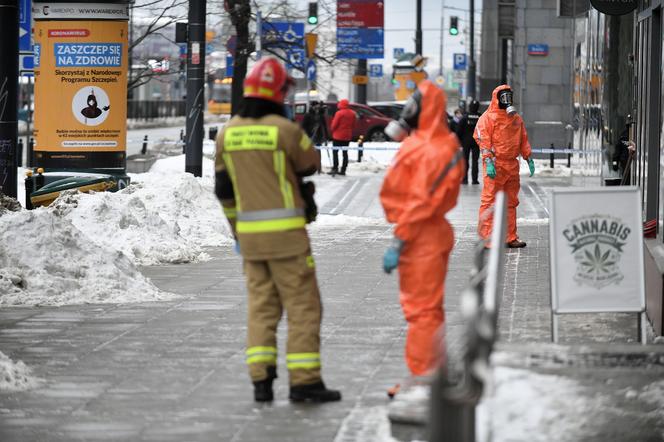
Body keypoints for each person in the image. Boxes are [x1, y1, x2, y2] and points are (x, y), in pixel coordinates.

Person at [215, 57, 341, 403]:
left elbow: (224, 192)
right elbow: (311, 162)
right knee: (303, 308)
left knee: (261, 308)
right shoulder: (284, 131)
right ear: (279, 92)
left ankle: (261, 382)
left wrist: (237, 231)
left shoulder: (228, 133)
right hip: (288, 240)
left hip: (251, 242)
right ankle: (305, 383)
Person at [380, 80, 465, 386]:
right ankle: (433, 370)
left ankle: (424, 378)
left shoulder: (435, 149)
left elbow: (420, 202)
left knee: (422, 311)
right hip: (422, 232)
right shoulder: (431, 142)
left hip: (421, 236)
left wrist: (400, 239)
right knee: (426, 308)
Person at [474, 85, 535, 248]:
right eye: (504, 96)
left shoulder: (516, 119)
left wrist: (528, 157)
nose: (507, 100)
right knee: (489, 201)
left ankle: (510, 236)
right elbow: (483, 141)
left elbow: (523, 138)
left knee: (510, 202)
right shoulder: (487, 118)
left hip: (511, 165)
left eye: (509, 96)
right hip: (495, 164)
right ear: (497, 98)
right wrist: (488, 161)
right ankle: (487, 238)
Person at [455, 99, 482, 184]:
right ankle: (474, 180)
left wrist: (459, 141)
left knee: (465, 161)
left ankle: (464, 179)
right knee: (475, 161)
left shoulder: (465, 117)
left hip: (465, 142)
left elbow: (459, 130)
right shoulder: (480, 117)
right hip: (476, 142)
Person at [330, 99, 356, 175]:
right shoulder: (352, 113)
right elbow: (353, 125)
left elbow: (334, 125)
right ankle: (343, 170)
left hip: (337, 136)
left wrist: (332, 129)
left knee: (335, 152)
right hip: (347, 137)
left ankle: (335, 168)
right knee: (345, 153)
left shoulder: (339, 113)